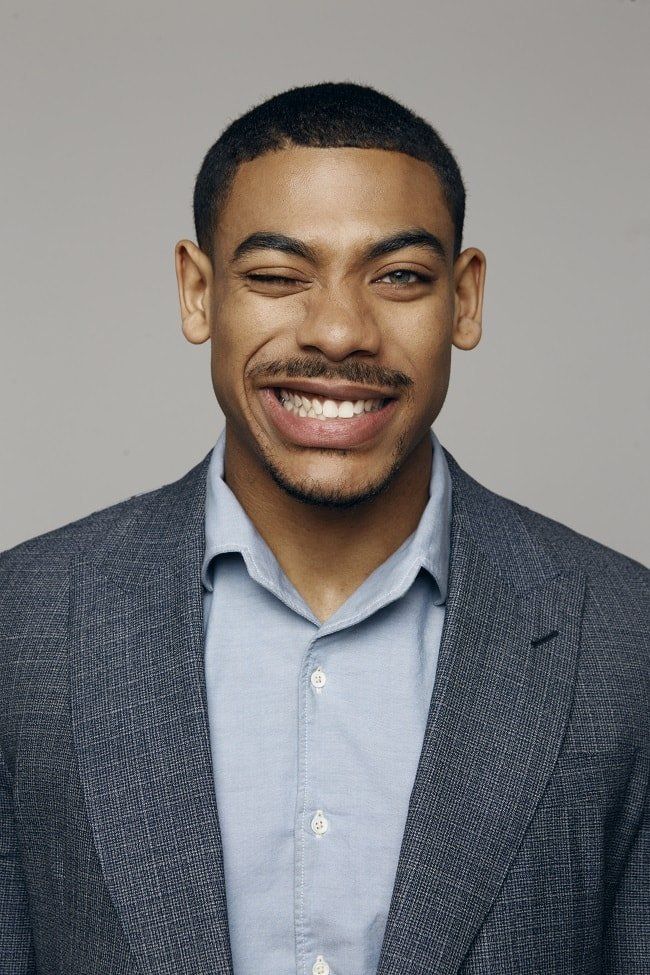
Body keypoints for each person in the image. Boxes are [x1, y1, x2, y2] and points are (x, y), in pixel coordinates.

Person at [1, 81, 647, 975]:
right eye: (276, 276)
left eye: (400, 278)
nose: (341, 331)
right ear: (198, 293)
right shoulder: (22, 625)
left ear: (464, 300)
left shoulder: (626, 638)